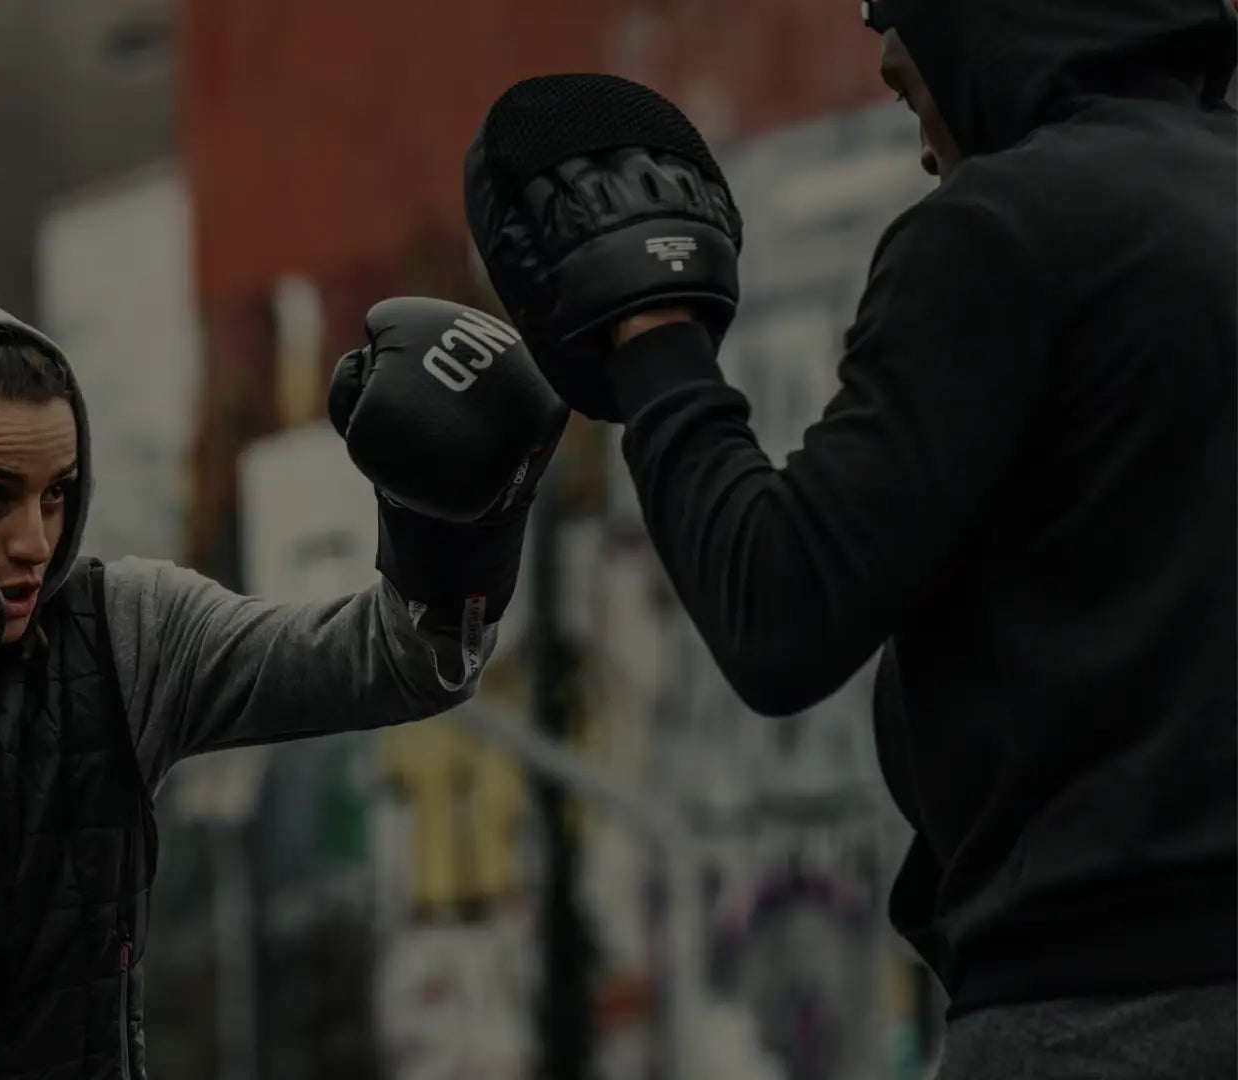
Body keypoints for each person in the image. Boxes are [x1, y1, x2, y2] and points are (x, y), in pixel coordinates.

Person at [460, 0, 1236, 1076]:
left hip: (1107, 1011)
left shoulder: (1003, 230)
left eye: (894, 12)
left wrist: (650, 335)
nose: (883, 52)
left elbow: (780, 609)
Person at [0, 296, 566, 1077]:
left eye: (57, 494)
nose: (33, 540)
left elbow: (400, 663)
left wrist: (461, 533)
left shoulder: (123, 632)